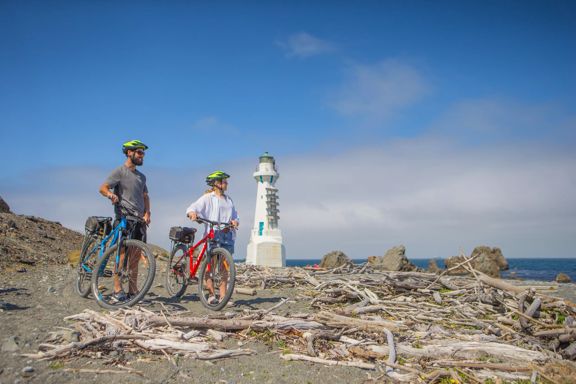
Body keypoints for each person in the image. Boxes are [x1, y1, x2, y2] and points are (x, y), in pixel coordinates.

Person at [99, 139, 151, 302]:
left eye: (143, 153)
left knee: (135, 255)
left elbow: (145, 195)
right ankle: (117, 289)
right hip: (124, 217)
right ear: (129, 152)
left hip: (139, 220)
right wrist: (110, 195)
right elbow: (103, 187)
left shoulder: (142, 177)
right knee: (121, 254)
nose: (142, 156)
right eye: (139, 152)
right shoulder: (120, 171)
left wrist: (147, 212)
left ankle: (133, 291)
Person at [186, 171, 239, 304]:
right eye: (224, 181)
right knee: (211, 265)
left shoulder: (229, 200)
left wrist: (235, 221)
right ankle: (211, 294)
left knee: (224, 267)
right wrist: (192, 213)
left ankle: (223, 296)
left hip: (227, 235)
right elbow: (193, 207)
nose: (226, 183)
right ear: (216, 183)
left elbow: (235, 216)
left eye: (226, 181)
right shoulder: (208, 197)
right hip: (213, 233)